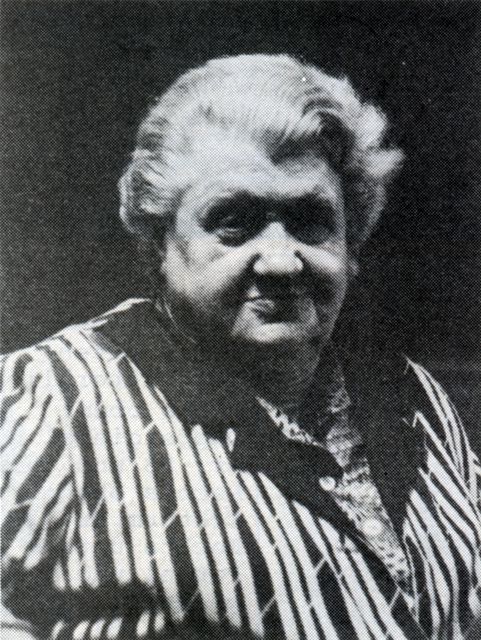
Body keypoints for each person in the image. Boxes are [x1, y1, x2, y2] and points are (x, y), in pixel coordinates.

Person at [1, 54, 480, 640]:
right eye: (234, 220)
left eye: (311, 221)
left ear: (350, 244)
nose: (281, 260)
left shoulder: (414, 400)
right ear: (159, 244)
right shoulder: (55, 397)